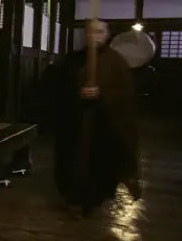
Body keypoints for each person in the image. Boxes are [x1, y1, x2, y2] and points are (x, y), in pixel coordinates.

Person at [46, 20, 142, 213]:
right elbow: (57, 87)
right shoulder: (72, 60)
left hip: (103, 124)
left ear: (106, 35)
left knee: (99, 163)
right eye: (90, 32)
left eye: (99, 32)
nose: (94, 36)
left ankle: (94, 199)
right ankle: (71, 194)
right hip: (75, 121)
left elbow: (125, 94)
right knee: (71, 160)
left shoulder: (116, 62)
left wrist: (102, 93)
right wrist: (76, 92)